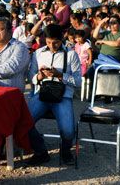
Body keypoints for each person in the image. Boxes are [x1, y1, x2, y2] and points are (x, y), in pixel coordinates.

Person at [26, 24, 81, 166]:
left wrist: (60, 75)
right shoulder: (38, 53)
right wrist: (38, 77)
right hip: (42, 94)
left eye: (55, 42)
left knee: (68, 131)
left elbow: (78, 81)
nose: (52, 45)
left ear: (61, 38)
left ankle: (65, 150)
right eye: (49, 42)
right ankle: (41, 151)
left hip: (63, 96)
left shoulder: (71, 54)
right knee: (23, 123)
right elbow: (31, 76)